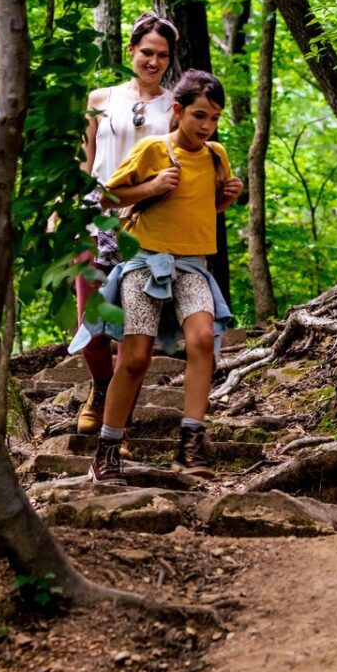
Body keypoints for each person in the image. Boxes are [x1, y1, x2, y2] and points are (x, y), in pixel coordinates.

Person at [89, 70, 244, 480]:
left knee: (202, 340)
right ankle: (107, 448)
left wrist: (225, 199)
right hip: (146, 262)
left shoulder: (216, 155)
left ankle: (190, 446)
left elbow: (202, 208)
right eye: (199, 116)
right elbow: (107, 197)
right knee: (136, 358)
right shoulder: (153, 149)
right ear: (178, 110)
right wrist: (153, 186)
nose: (207, 126)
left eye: (214, 118)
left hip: (193, 265)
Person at [70, 13, 179, 435]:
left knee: (135, 334)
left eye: (163, 55)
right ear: (131, 50)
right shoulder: (101, 99)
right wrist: (66, 214)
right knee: (91, 325)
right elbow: (84, 163)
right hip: (96, 221)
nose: (154, 61)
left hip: (147, 227)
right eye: (147, 52)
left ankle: (120, 422)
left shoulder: (175, 107)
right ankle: (101, 389)